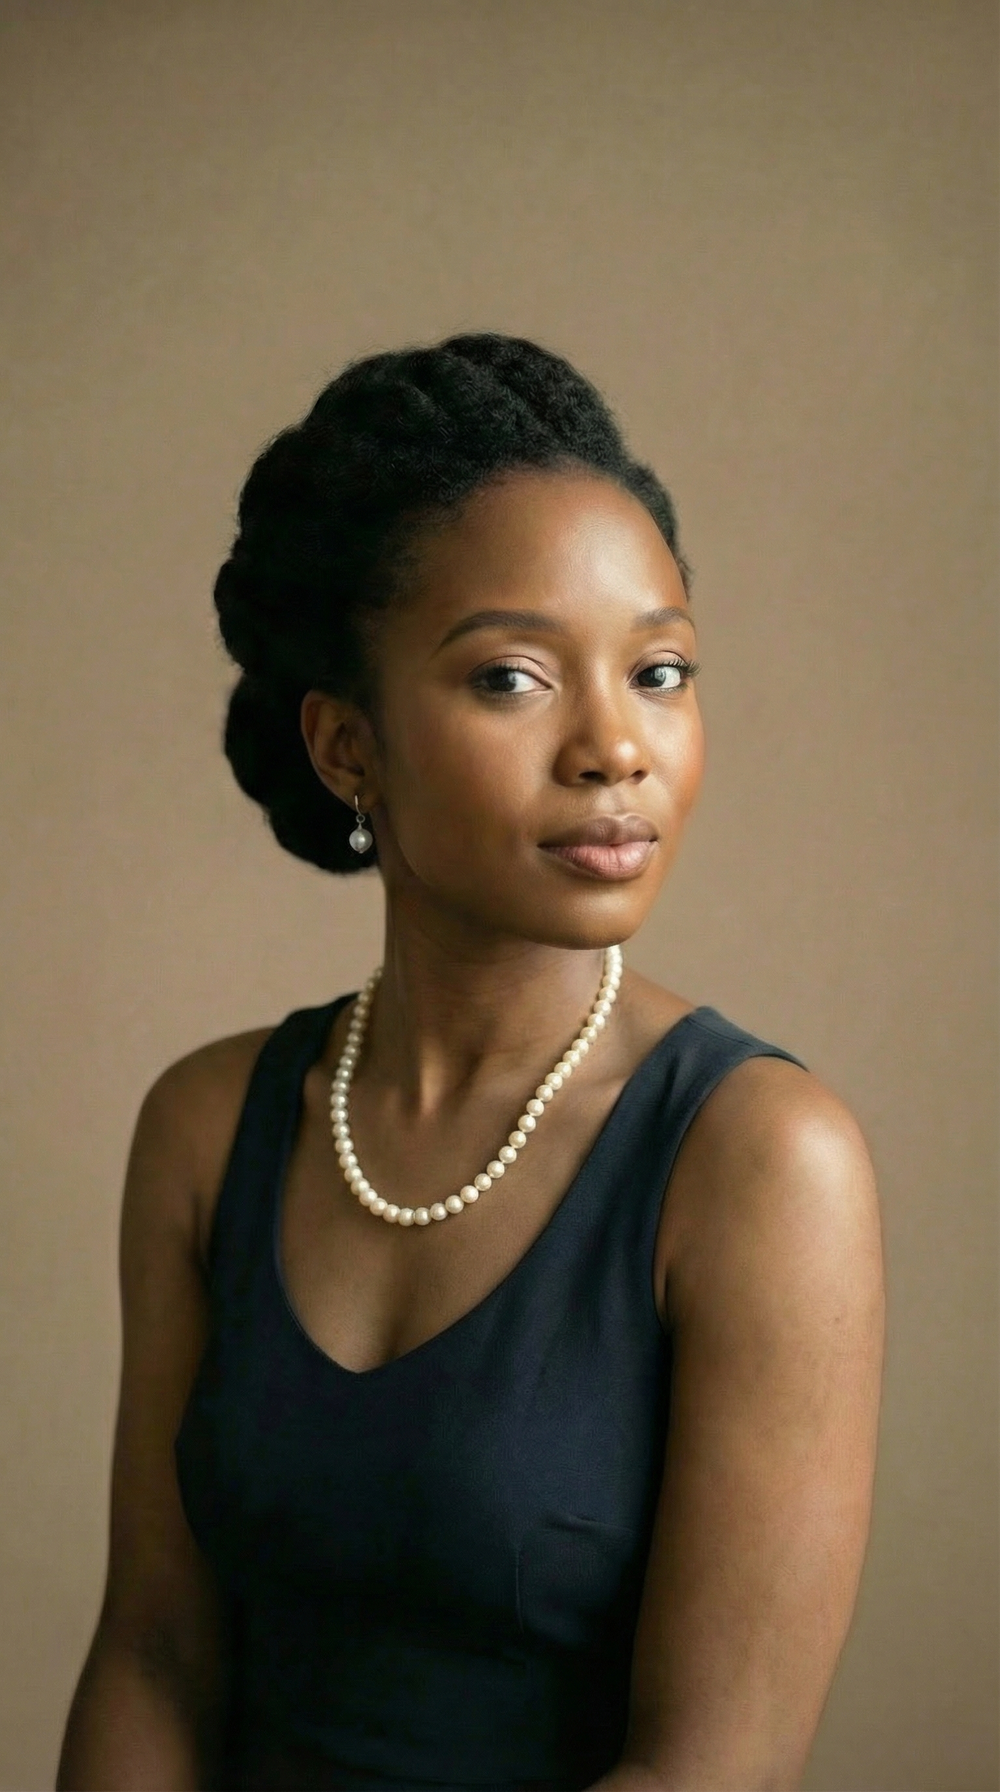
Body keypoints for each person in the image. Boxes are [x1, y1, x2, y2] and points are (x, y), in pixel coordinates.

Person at [56, 333, 885, 1792]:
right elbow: (154, 1657)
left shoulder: (761, 1164)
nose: (615, 746)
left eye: (662, 670)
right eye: (512, 677)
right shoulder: (209, 1126)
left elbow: (709, 1768)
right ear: (346, 746)